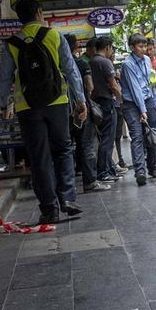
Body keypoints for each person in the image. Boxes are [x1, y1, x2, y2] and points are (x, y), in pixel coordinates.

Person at [0, 0, 87, 224]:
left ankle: (49, 209)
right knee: (63, 149)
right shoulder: (54, 36)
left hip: (27, 106)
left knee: (39, 157)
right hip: (57, 102)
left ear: (19, 17)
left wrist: (3, 104)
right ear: (39, 12)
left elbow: (4, 77)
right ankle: (67, 198)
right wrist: (80, 100)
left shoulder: (11, 43)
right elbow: (71, 70)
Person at [65, 34, 107, 192]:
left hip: (62, 111)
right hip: (82, 109)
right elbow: (89, 86)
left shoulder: (58, 65)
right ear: (75, 47)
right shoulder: (81, 64)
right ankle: (90, 182)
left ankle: (67, 185)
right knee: (87, 145)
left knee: (65, 148)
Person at [119, 33, 156, 185]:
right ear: (132, 47)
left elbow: (151, 82)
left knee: (151, 135)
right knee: (137, 136)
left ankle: (152, 167)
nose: (144, 49)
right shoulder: (128, 64)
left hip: (148, 100)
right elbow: (135, 88)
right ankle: (140, 172)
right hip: (132, 104)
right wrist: (142, 110)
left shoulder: (148, 60)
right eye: (140, 46)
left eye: (145, 46)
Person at [88, 36, 121, 184]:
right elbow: (113, 85)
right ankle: (104, 172)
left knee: (103, 139)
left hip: (97, 104)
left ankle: (108, 169)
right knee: (108, 140)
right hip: (107, 103)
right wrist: (122, 98)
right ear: (107, 47)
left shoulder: (92, 61)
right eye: (112, 48)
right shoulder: (105, 62)